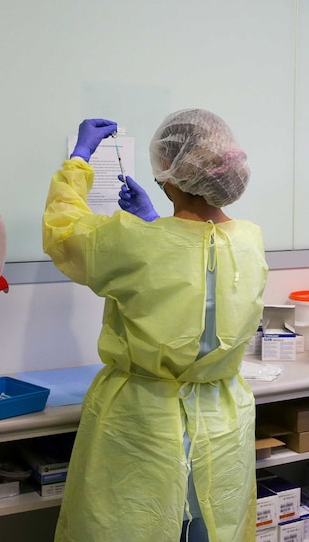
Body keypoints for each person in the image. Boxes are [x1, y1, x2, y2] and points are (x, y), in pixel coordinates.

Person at [43, 109, 268, 541]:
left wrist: (79, 159)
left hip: (143, 426)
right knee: (210, 530)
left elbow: (63, 232)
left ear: (169, 173)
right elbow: (193, 268)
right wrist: (152, 222)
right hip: (220, 429)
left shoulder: (134, 243)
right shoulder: (249, 239)